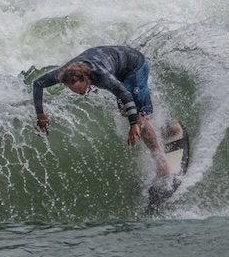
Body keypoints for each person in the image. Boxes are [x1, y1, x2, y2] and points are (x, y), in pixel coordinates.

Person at [32, 45, 169, 177]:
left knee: (137, 117)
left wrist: (133, 124)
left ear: (85, 78)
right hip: (116, 62)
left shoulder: (101, 75)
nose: (80, 93)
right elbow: (38, 83)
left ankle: (161, 164)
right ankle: (167, 129)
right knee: (131, 111)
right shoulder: (63, 73)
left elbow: (125, 95)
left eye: (80, 89)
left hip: (134, 66)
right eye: (75, 91)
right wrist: (40, 114)